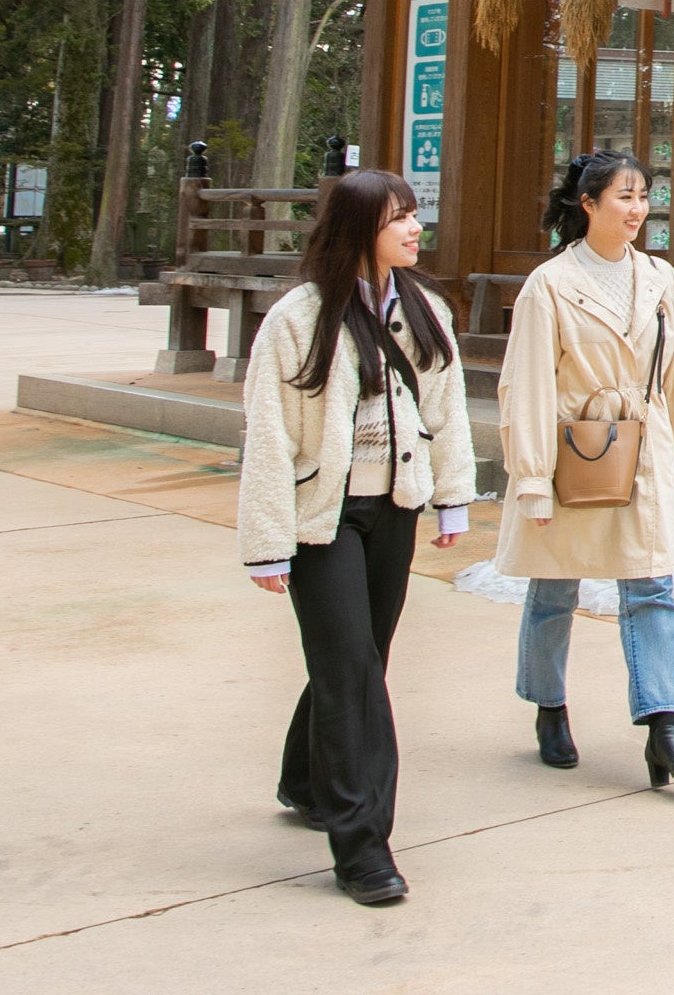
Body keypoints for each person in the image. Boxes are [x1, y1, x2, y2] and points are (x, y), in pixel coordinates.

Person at [237, 168, 473, 907]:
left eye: (414, 216)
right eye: (397, 218)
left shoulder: (425, 309)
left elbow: (448, 407)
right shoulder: (298, 318)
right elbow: (269, 437)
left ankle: (305, 782)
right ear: (356, 229)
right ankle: (363, 845)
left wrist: (452, 498)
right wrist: (268, 539)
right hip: (322, 521)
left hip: (394, 508)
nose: (414, 229)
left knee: (361, 661)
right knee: (352, 675)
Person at [495, 151, 674, 787]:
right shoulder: (550, 283)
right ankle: (549, 705)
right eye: (623, 197)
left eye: (643, 196)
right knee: (555, 584)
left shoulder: (660, 279)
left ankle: (664, 729)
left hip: (643, 447)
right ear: (587, 205)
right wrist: (532, 476)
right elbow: (527, 383)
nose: (637, 209)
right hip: (575, 447)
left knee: (652, 584)